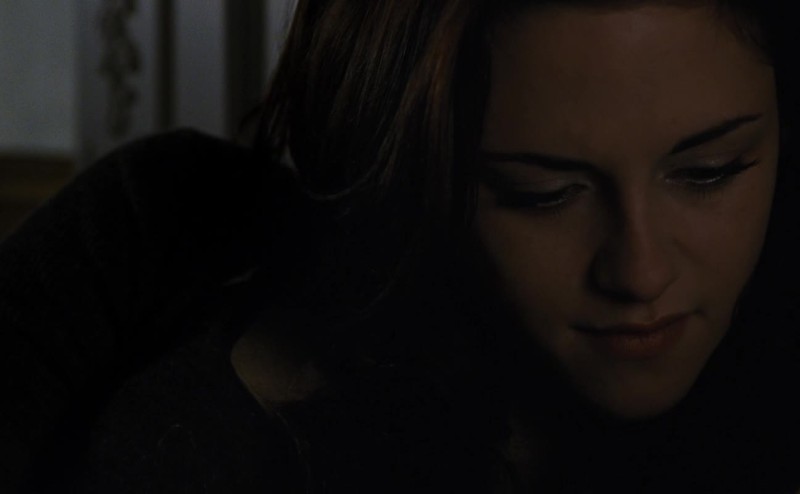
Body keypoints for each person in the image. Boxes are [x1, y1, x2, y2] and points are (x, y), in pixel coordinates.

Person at [2, 0, 799, 492]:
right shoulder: (162, 226)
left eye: (709, 172)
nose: (640, 271)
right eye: (542, 194)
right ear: (407, 161)